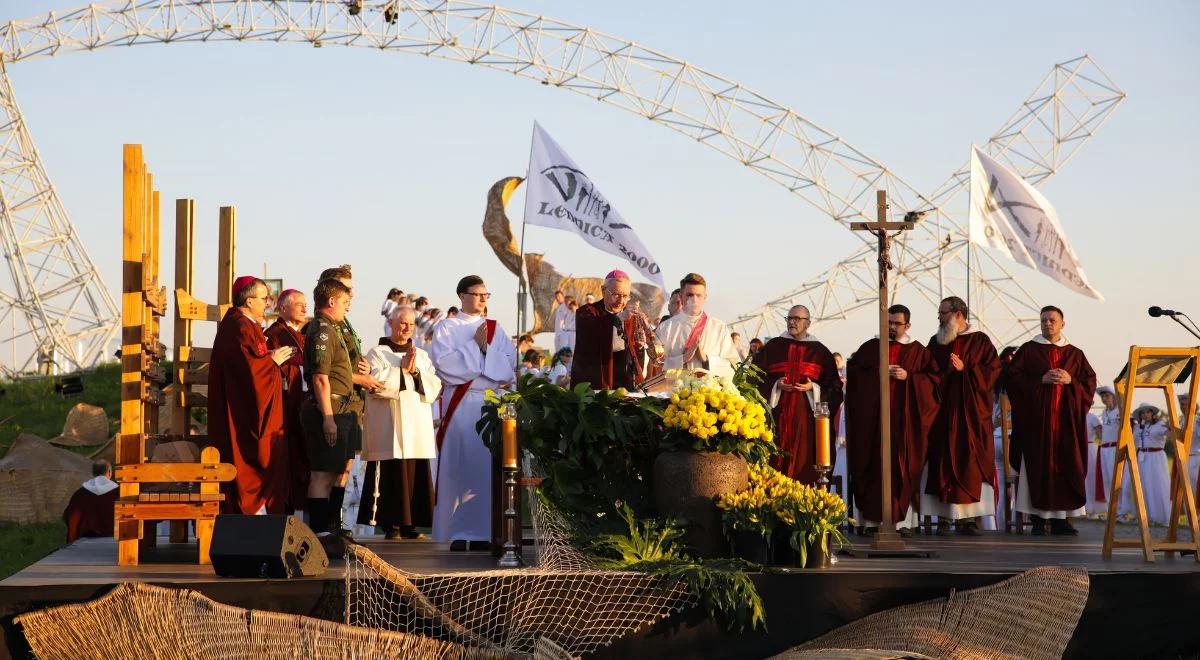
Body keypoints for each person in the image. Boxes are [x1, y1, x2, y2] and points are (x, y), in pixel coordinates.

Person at [429, 275, 517, 550]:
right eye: (478, 294)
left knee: (484, 471)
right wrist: (476, 349)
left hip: (488, 405)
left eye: (486, 295)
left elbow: (508, 364)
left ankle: (483, 531)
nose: (482, 299)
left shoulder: (495, 328)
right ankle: (456, 532)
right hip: (461, 404)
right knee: (458, 469)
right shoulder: (447, 327)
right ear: (462, 296)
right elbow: (444, 366)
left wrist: (484, 351)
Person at [845, 304, 940, 535]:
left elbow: (934, 382)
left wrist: (909, 378)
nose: (891, 327)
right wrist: (876, 374)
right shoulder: (870, 348)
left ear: (907, 325)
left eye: (896, 323)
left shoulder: (919, 352)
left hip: (904, 423)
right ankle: (870, 522)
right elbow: (854, 375)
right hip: (873, 423)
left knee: (902, 468)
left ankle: (903, 522)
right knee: (872, 466)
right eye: (887, 322)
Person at [1004, 306, 1097, 535]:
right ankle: (1036, 519)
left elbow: (1089, 383)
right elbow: (1012, 379)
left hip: (1065, 425)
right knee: (1035, 468)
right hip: (1037, 425)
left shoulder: (1075, 354)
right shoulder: (1028, 350)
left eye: (1052, 320)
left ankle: (1061, 520)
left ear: (1062, 324)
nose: (1048, 324)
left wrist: (1070, 381)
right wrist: (1040, 380)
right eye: (1044, 320)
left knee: (1064, 467)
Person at [208, 275, 294, 515]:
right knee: (257, 460)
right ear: (248, 300)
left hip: (253, 410)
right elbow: (249, 374)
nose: (268, 303)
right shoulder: (239, 327)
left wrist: (269, 360)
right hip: (243, 418)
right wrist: (271, 362)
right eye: (264, 298)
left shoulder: (246, 325)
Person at [358, 305, 442, 540]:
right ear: (392, 323)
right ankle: (390, 525)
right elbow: (374, 383)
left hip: (416, 426)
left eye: (411, 324)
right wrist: (404, 371)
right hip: (389, 425)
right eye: (402, 323)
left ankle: (410, 524)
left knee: (414, 474)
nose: (406, 328)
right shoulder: (376, 353)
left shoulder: (422, 355)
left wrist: (414, 373)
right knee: (390, 474)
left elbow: (434, 387)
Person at [922, 296, 1000, 536]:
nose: (939, 317)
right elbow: (927, 374)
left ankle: (967, 520)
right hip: (942, 416)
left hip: (971, 417)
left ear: (958, 315)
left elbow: (993, 373)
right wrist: (945, 371)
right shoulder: (936, 342)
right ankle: (944, 518)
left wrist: (966, 371)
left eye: (943, 313)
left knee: (970, 465)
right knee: (941, 463)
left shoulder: (980, 341)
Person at [317, 266, 382, 537]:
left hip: (351, 405)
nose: (351, 295)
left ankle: (337, 525)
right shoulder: (324, 327)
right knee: (325, 472)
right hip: (335, 404)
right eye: (345, 289)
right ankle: (323, 529)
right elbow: (325, 372)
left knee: (344, 470)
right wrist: (360, 378)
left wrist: (363, 370)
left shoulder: (343, 323)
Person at [751, 304, 843, 484]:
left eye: (797, 319)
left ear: (808, 323)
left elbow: (835, 388)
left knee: (804, 470)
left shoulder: (820, 352)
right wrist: (776, 385)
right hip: (776, 420)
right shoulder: (773, 347)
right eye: (789, 318)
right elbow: (755, 378)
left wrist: (813, 388)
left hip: (807, 423)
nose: (792, 322)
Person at [301, 278, 360, 553]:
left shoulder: (335, 329)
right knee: (322, 474)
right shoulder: (322, 330)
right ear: (332, 301)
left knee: (337, 471)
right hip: (330, 408)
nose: (348, 308)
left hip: (343, 409)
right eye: (345, 302)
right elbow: (321, 378)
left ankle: (331, 528)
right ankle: (319, 533)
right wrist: (327, 418)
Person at [265, 288, 309, 515]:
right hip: (287, 405)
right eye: (299, 303)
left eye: (305, 303)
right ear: (283, 308)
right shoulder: (275, 334)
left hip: (303, 402)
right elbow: (277, 368)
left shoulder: (301, 334)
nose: (305, 307)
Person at [656, 273, 741, 380]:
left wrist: (706, 359)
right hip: (673, 394)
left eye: (699, 295)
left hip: (710, 393)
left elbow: (734, 366)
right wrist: (682, 359)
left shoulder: (719, 327)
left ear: (705, 297)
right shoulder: (665, 328)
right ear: (681, 295)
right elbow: (655, 365)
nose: (694, 300)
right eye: (690, 295)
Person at [571, 270, 637, 391]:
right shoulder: (586, 312)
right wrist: (617, 320)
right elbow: (592, 341)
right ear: (603, 290)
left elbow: (634, 351)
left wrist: (641, 345)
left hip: (623, 383)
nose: (621, 301)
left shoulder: (630, 317)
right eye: (616, 294)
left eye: (625, 296)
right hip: (593, 382)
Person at [1131, 403, 1172, 525]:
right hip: (1142, 457)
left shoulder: (1160, 424)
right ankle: (1145, 517)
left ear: (1152, 413)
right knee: (1143, 486)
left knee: (1159, 485)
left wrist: (1171, 428)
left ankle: (1163, 517)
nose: (1145, 414)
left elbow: (1170, 435)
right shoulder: (1138, 427)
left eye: (1148, 412)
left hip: (1157, 457)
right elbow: (1134, 442)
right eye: (1142, 413)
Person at [1096, 385, 1132, 519]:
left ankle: (1122, 511)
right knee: (1107, 481)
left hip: (1116, 448)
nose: (1104, 399)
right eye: (1103, 397)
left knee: (1119, 480)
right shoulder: (1105, 412)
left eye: (1107, 396)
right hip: (1104, 448)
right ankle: (1112, 511)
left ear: (1114, 397)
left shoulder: (1120, 411)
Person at [63, 460, 118, 543]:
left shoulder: (80, 493)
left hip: (84, 541)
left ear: (93, 473)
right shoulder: (119, 493)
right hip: (115, 540)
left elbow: (71, 516)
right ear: (110, 472)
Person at [1179, 393, 1200, 507]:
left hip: (1194, 457)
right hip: (1182, 459)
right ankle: (1189, 516)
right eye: (1181, 404)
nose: (1183, 407)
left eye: (1186, 405)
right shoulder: (1180, 420)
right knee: (1184, 489)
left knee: (1195, 488)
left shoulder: (1197, 421)